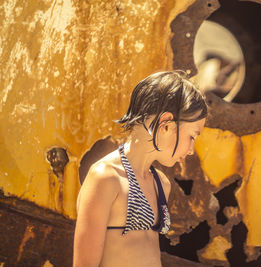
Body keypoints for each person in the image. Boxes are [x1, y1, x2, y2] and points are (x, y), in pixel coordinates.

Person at [73, 70, 208, 267]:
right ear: (165, 124)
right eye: (192, 137)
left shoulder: (161, 183)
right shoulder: (106, 177)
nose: (190, 150)